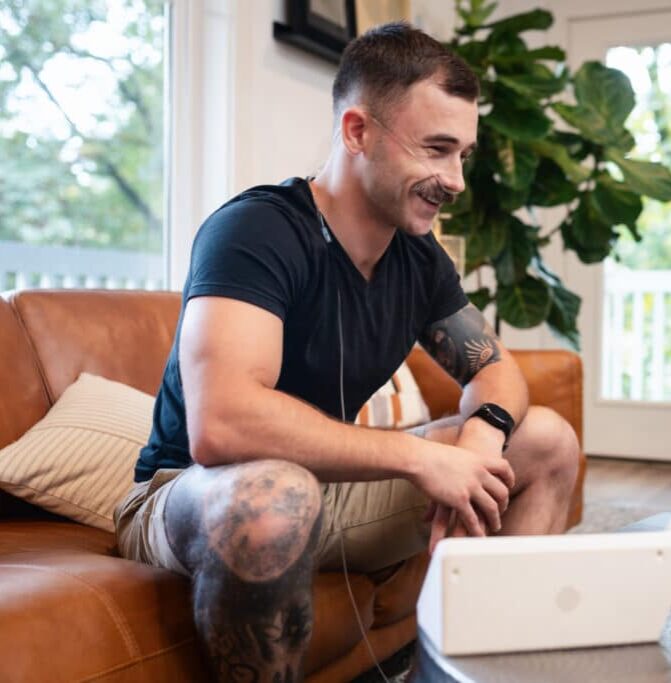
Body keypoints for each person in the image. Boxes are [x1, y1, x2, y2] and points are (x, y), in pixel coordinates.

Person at [113, 21, 580, 683]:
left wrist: (483, 433)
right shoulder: (256, 231)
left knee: (546, 440)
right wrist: (419, 456)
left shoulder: (417, 258)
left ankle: (475, 673)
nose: (454, 180)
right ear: (358, 131)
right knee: (277, 493)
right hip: (191, 494)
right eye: (437, 149)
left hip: (330, 490)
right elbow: (223, 425)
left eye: (464, 155)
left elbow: (495, 368)